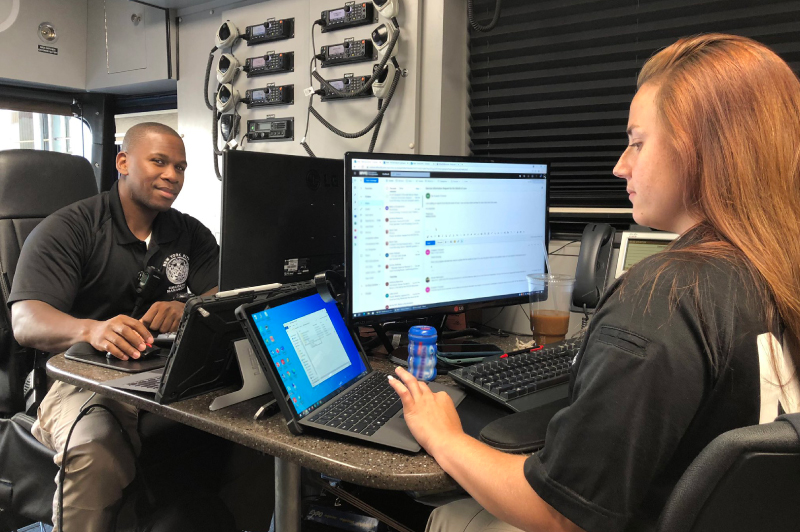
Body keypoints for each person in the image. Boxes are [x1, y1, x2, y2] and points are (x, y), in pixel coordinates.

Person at [388, 33, 800, 532]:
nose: (619, 165)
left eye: (637, 141)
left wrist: (443, 436)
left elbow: (560, 515)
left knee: (446, 516)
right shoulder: (776, 271)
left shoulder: (664, 299)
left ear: (700, 150)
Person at [8, 122, 220, 531]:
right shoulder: (70, 228)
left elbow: (224, 295)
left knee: (246, 432)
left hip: (162, 371)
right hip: (79, 377)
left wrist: (189, 307)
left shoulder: (188, 232)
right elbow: (26, 320)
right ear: (123, 162)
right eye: (159, 161)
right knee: (95, 448)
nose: (172, 176)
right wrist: (91, 330)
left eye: (181, 167)